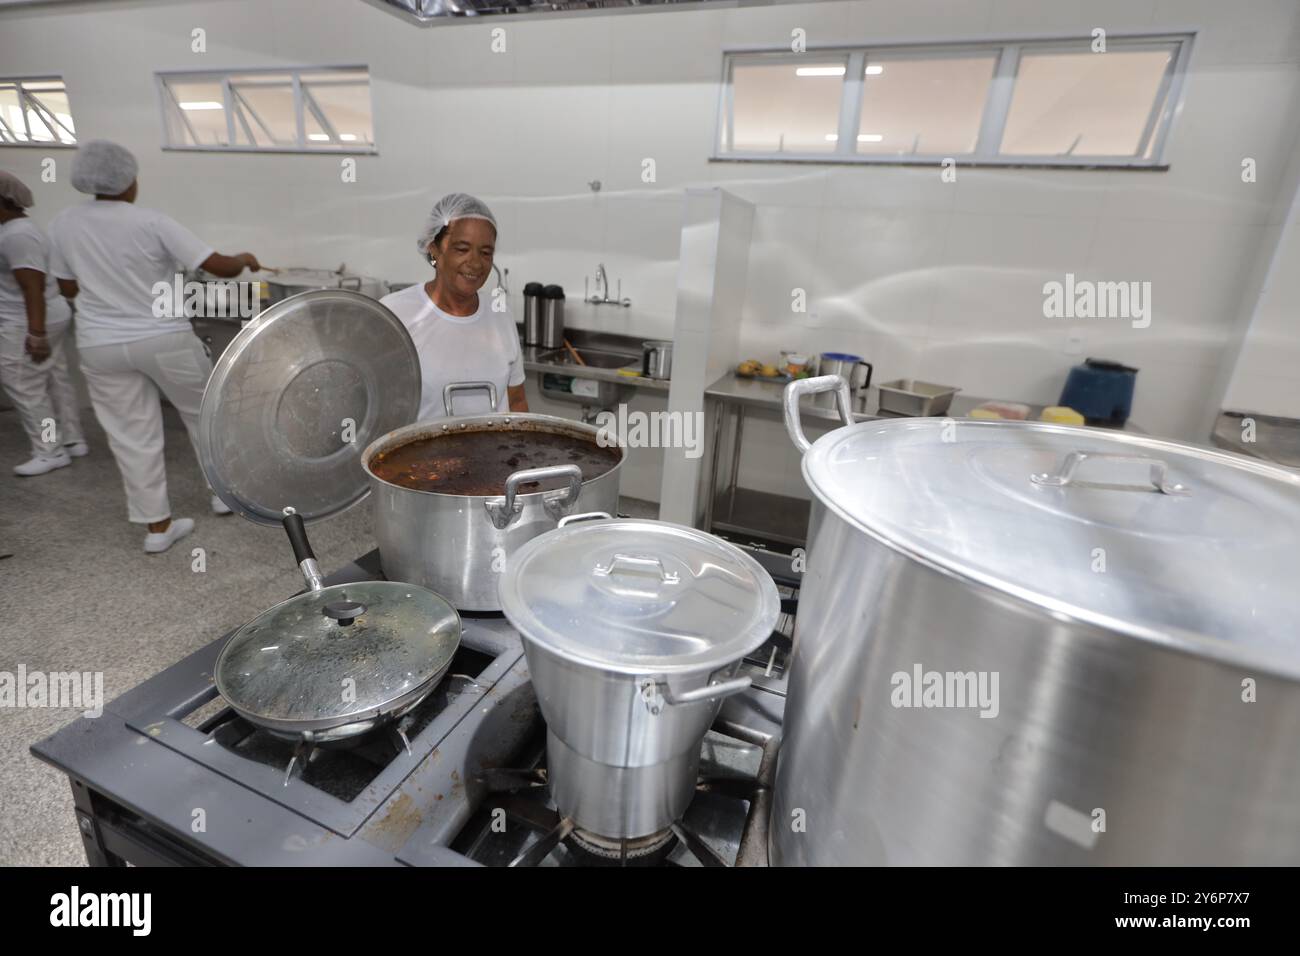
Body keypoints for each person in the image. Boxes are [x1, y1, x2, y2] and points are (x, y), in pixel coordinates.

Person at [47, 140, 263, 554]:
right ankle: (221, 496)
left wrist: (106, 288)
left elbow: (68, 286)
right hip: (164, 338)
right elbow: (217, 265)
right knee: (205, 416)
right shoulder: (150, 221)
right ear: (128, 181)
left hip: (100, 344)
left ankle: (157, 527)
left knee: (131, 434)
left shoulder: (62, 223)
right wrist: (245, 258)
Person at [379, 193, 527, 420]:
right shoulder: (395, 315)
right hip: (421, 455)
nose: (475, 263)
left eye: (486, 253)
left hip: (495, 454)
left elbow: (517, 402)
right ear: (434, 249)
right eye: (462, 249)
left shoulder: (500, 314)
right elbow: (375, 409)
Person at [0, 170, 87, 476]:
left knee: (27, 386)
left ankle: (49, 450)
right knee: (55, 379)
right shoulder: (21, 229)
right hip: (48, 313)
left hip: (28, 319)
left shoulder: (16, 235)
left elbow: (31, 287)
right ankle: (73, 439)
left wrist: (36, 334)